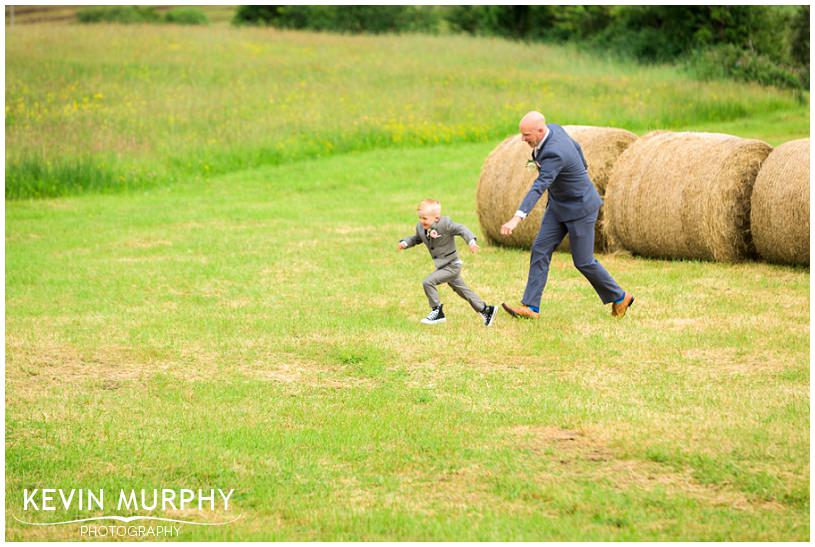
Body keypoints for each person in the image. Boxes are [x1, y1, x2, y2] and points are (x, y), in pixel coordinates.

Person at [500, 111, 634, 319]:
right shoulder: (554, 128)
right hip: (558, 205)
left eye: (526, 135)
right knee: (540, 249)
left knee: (583, 261)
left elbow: (539, 186)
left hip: (580, 208)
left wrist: (517, 218)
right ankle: (531, 307)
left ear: (540, 130)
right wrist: (582, 169)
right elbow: (578, 147)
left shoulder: (554, 153)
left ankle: (620, 297)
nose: (522, 139)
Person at [399, 199, 497, 326]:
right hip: (443, 266)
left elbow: (461, 229)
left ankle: (437, 311)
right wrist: (405, 243)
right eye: (420, 218)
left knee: (428, 282)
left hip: (452, 265)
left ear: (437, 218)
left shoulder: (445, 224)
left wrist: (471, 241)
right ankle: (486, 310)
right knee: (463, 291)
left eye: (425, 218)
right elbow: (417, 238)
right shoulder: (421, 227)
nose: (421, 221)